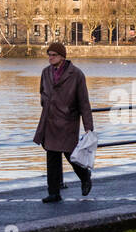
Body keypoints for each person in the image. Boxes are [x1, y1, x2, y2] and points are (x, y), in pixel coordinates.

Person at [33, 42, 93, 203]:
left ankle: (85, 176)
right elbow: (42, 91)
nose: (50, 58)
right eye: (49, 55)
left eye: (53, 55)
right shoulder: (45, 72)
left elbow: (84, 102)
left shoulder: (76, 74)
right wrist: (45, 103)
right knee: (51, 156)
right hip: (50, 120)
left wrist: (88, 127)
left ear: (62, 57)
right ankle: (53, 192)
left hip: (68, 121)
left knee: (71, 155)